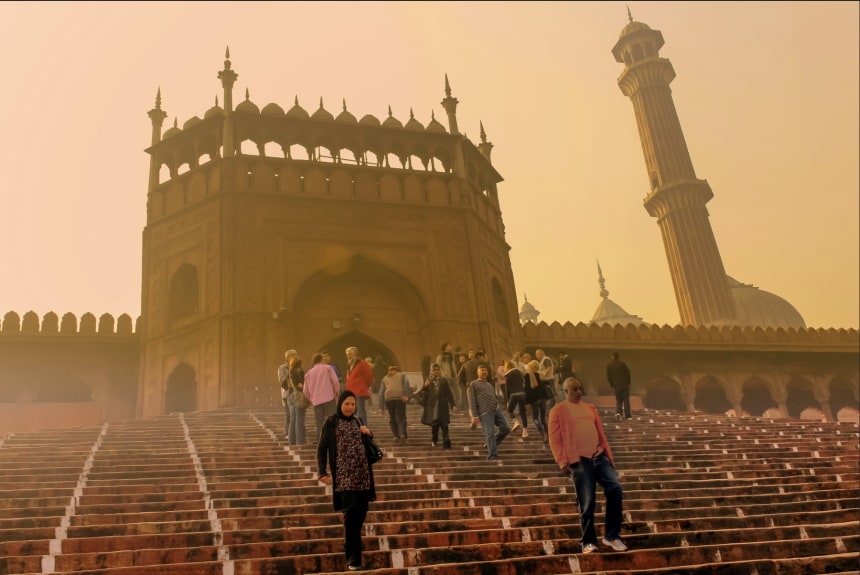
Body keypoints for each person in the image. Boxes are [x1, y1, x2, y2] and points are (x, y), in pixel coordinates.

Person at [548, 377, 627, 554]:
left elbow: (599, 432)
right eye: (574, 389)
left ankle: (612, 536)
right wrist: (561, 460)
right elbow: (554, 438)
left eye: (579, 389)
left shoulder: (589, 408)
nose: (578, 392)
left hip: (599, 456)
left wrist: (607, 454)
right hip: (579, 460)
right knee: (587, 501)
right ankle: (588, 542)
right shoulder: (558, 410)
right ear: (565, 391)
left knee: (615, 488)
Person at [317, 390, 377, 571]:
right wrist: (322, 472)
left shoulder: (358, 420)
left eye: (353, 404)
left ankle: (353, 550)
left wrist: (368, 432)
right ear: (340, 404)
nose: (350, 407)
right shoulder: (331, 422)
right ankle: (353, 559)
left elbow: (367, 444)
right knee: (350, 517)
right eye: (347, 404)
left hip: (363, 476)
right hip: (344, 478)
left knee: (361, 514)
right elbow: (322, 448)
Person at [468, 363, 511, 460]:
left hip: (496, 409)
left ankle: (490, 444)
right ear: (477, 372)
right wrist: (475, 415)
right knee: (489, 433)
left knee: (506, 428)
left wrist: (497, 406)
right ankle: (493, 455)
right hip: (484, 412)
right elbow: (472, 401)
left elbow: (494, 397)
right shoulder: (473, 384)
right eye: (482, 370)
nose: (484, 372)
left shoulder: (489, 384)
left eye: (486, 370)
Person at [416, 362, 458, 449]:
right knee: (435, 426)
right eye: (434, 370)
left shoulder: (443, 380)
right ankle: (434, 440)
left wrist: (453, 404)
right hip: (432, 407)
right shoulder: (428, 380)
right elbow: (420, 394)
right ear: (431, 371)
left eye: (438, 370)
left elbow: (449, 393)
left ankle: (446, 444)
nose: (436, 371)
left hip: (442, 407)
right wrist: (424, 386)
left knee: (444, 426)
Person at [303, 352, 341, 441]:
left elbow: (305, 391)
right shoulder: (328, 368)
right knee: (332, 420)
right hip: (329, 398)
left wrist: (311, 399)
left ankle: (321, 441)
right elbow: (336, 381)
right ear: (321, 359)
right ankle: (333, 440)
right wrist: (336, 392)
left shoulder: (308, 373)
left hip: (316, 401)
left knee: (319, 422)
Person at [378, 365, 413, 443]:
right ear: (397, 370)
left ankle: (396, 436)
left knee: (392, 417)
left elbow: (381, 392)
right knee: (401, 417)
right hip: (399, 397)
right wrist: (406, 395)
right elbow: (406, 385)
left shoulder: (384, 378)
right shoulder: (402, 375)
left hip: (388, 399)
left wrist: (381, 407)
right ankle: (402, 434)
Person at [345, 346, 374, 425]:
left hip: (359, 390)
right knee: (352, 411)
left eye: (350, 354)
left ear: (356, 354)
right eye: (347, 354)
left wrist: (363, 386)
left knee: (360, 411)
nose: (348, 356)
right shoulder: (349, 366)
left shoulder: (362, 363)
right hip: (350, 392)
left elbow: (369, 377)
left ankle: (363, 427)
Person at [525, 359, 550, 444]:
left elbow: (527, 390)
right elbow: (544, 388)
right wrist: (546, 398)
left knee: (535, 418)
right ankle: (548, 434)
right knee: (543, 418)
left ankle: (542, 433)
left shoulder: (527, 376)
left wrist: (527, 402)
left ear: (530, 367)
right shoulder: (540, 375)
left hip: (534, 400)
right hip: (542, 398)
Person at [503, 360, 528, 439]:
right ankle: (525, 432)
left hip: (514, 394)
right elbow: (524, 383)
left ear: (507, 367)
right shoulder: (519, 372)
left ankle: (516, 422)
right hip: (522, 394)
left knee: (509, 411)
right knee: (522, 413)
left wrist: (507, 400)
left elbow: (507, 389)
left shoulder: (508, 375)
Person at [277, 349, 298, 439]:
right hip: (287, 394)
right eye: (294, 356)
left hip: (297, 394)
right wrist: (290, 372)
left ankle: (295, 433)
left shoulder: (298, 367)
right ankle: (288, 433)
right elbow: (281, 380)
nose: (295, 358)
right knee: (289, 414)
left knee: (297, 415)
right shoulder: (282, 368)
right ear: (288, 357)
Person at [287, 355, 308, 445]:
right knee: (300, 419)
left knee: (293, 420)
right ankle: (300, 441)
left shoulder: (290, 372)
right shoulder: (299, 371)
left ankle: (292, 441)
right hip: (298, 396)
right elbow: (300, 385)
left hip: (291, 396)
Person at [606, 352, 632, 420]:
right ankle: (628, 416)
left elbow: (608, 376)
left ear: (612, 357)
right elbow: (628, 374)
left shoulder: (609, 365)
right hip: (624, 384)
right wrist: (628, 382)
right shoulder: (623, 364)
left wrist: (612, 384)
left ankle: (618, 412)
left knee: (618, 400)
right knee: (626, 400)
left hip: (616, 385)